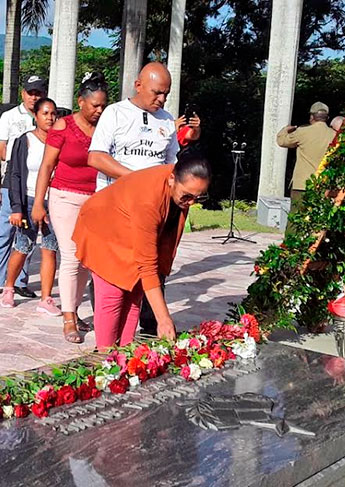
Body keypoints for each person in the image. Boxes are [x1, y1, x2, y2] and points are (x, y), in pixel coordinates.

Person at [73, 155, 211, 349]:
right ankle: (104, 359)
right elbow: (147, 265)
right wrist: (162, 319)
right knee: (113, 294)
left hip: (130, 227)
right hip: (102, 229)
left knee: (135, 291)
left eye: (198, 198)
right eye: (187, 196)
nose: (191, 203)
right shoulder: (148, 198)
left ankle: (125, 354)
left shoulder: (181, 184)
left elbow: (162, 246)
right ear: (172, 179)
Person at [88, 62, 184, 337]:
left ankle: (135, 342)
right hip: (114, 212)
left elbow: (173, 166)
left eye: (166, 93)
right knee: (111, 287)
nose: (161, 99)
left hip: (151, 213)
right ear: (138, 85)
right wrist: (136, 179)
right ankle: (106, 348)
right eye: (156, 92)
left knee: (141, 280)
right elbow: (95, 157)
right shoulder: (115, 114)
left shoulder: (167, 120)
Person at [32, 72, 108, 343]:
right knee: (72, 256)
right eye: (94, 105)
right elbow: (47, 166)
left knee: (88, 260)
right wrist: (39, 202)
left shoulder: (106, 127)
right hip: (64, 197)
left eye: (103, 106)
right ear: (81, 102)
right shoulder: (63, 126)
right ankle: (67, 317)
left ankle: (74, 309)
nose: (99, 111)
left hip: (95, 199)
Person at [0, 75, 47, 299]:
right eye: (31, 92)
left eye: (38, 92)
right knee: (4, 231)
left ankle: (20, 280)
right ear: (23, 94)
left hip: (36, 184)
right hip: (12, 180)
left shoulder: (48, 118)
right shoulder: (10, 117)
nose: (34, 97)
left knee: (27, 233)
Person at [2, 98, 61, 316]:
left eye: (53, 113)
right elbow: (15, 174)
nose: (50, 118)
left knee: (50, 247)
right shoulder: (24, 140)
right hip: (27, 199)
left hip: (52, 200)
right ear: (35, 116)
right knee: (23, 245)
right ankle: (9, 287)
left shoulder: (59, 141)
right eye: (45, 113)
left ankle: (46, 298)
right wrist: (16, 207)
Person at [276, 101, 336, 232]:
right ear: (327, 117)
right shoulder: (334, 135)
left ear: (311, 117)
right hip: (322, 185)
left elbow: (282, 141)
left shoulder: (303, 132)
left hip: (302, 184)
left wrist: (285, 130)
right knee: (318, 220)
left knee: (295, 218)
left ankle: (291, 248)